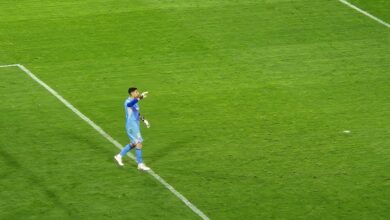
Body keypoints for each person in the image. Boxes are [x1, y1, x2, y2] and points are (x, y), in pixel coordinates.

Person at [114, 87, 151, 171]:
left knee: (133, 144)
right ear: (132, 93)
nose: (138, 93)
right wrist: (140, 97)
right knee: (139, 143)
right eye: (136, 92)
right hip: (131, 125)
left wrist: (144, 120)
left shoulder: (136, 102)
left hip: (135, 125)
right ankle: (140, 164)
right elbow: (129, 105)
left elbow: (136, 113)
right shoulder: (128, 101)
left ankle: (119, 156)